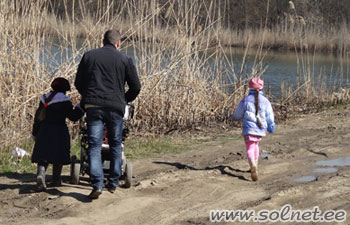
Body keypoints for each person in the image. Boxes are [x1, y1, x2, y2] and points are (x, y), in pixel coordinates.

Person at [75, 29, 141, 199]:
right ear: (118, 44)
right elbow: (136, 87)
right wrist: (124, 99)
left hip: (93, 106)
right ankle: (112, 182)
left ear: (102, 41)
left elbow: (78, 82)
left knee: (94, 145)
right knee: (115, 144)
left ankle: (96, 183)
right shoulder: (125, 59)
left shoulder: (89, 56)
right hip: (115, 108)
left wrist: (88, 96)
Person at [32, 77, 84, 191]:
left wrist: (35, 133)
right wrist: (81, 106)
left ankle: (41, 174)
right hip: (59, 130)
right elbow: (73, 116)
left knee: (43, 156)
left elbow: (38, 118)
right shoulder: (64, 101)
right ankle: (56, 179)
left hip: (44, 130)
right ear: (65, 89)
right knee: (59, 155)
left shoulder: (45, 100)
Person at [232, 77, 275, 181]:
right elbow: (270, 116)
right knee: (256, 145)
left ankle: (253, 166)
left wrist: (234, 117)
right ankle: (255, 165)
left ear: (249, 87)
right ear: (262, 87)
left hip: (249, 129)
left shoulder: (245, 100)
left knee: (250, 147)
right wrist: (271, 127)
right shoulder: (266, 101)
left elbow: (238, 114)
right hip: (260, 129)